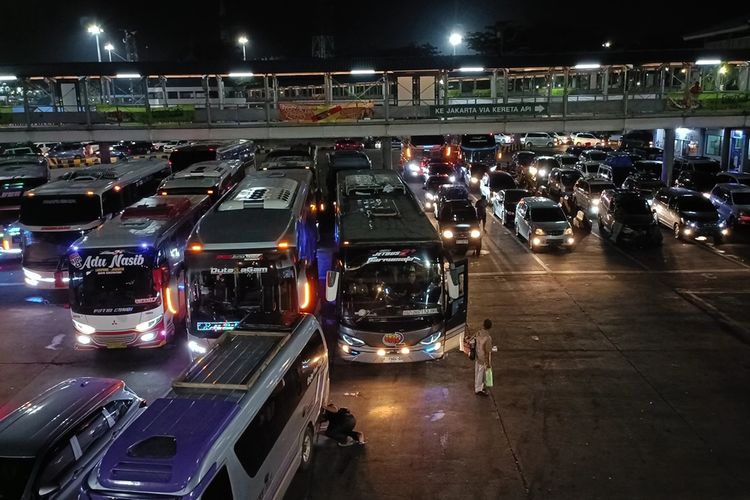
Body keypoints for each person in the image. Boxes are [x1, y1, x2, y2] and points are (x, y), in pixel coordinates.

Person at [472, 319, 493, 396]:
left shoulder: (478, 333)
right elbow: (488, 352)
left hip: (477, 355)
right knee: (481, 373)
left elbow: (472, 340)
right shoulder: (488, 338)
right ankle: (479, 389)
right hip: (483, 358)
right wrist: (489, 363)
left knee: (477, 371)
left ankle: (477, 386)